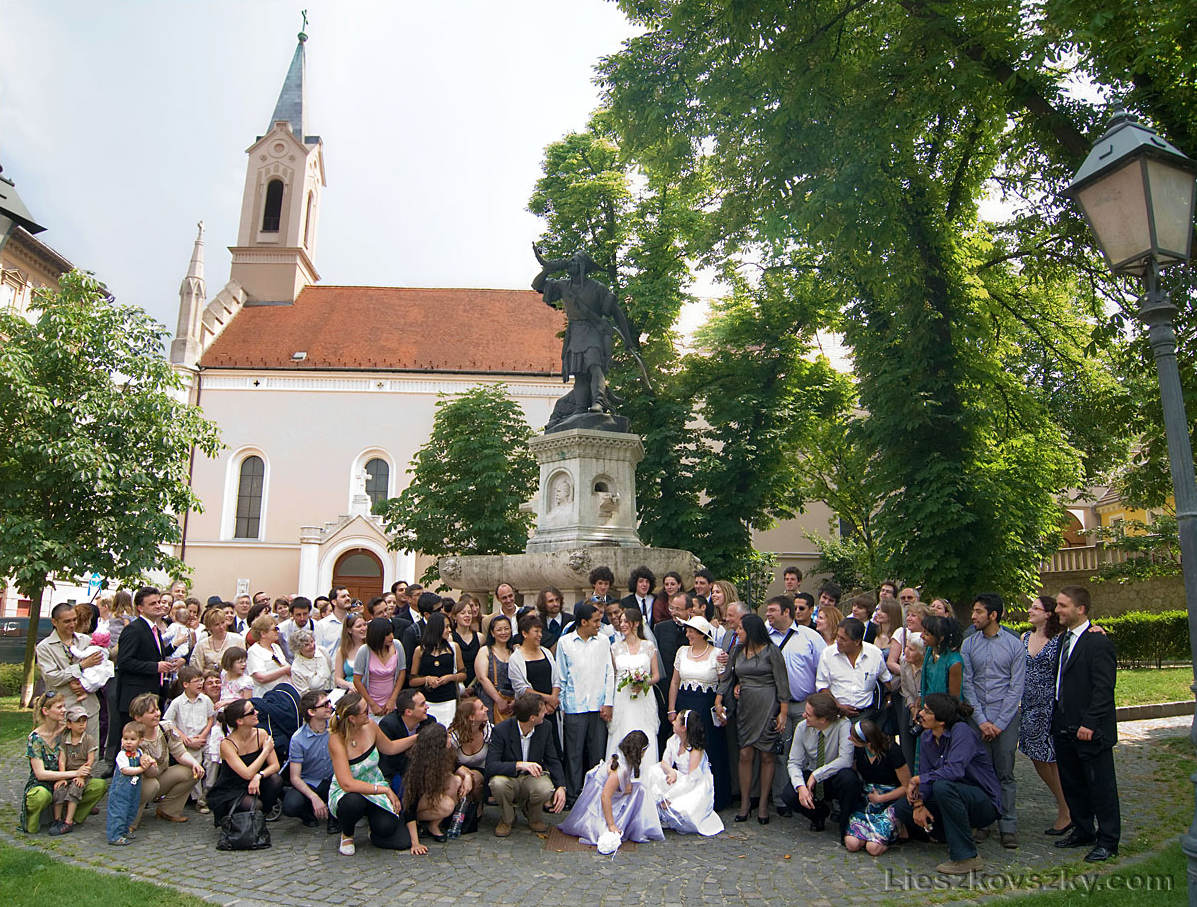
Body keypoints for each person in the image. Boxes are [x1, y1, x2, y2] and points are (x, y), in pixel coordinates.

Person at [896, 694, 1001, 875]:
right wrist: (919, 804)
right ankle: (945, 835)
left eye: (927, 711)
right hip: (949, 795)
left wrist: (917, 780)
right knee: (903, 807)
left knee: (942, 786)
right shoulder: (927, 737)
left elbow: (954, 771)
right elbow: (925, 774)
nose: (920, 714)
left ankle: (966, 857)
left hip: (981, 801)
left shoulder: (962, 732)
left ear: (942, 720)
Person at [1051, 586, 1120, 863]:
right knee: (1073, 783)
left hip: (1090, 730)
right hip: (1064, 726)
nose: (1057, 610)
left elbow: (1104, 688)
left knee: (1100, 786)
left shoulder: (1097, 642)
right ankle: (1082, 829)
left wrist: (1090, 722)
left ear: (1080, 609)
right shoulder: (1062, 640)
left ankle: (1108, 840)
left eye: (1063, 605)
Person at [961, 593, 1025, 849]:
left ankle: (1008, 825)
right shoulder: (969, 644)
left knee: (1005, 772)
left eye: (978, 612)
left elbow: (1015, 686)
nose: (973, 616)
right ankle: (983, 821)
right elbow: (967, 684)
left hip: (1005, 717)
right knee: (979, 771)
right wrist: (981, 719)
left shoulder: (1013, 645)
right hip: (978, 717)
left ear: (993, 615)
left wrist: (998, 722)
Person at [718, 613, 789, 824]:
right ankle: (745, 802)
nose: (737, 632)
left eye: (740, 629)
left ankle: (764, 804)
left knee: (767, 755)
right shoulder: (738, 650)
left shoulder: (771, 651)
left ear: (752, 631)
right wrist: (719, 697)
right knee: (745, 753)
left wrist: (783, 712)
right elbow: (728, 676)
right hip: (745, 705)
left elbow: (782, 683)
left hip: (768, 703)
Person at [763, 594, 827, 815]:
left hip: (804, 704)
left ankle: (812, 796)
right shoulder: (765, 637)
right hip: (775, 705)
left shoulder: (810, 637)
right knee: (781, 752)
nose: (768, 614)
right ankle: (782, 800)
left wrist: (817, 701)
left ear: (786, 612)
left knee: (808, 752)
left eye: (772, 610)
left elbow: (823, 668)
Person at [328, 692, 413, 855]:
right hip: (348, 791)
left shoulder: (371, 726)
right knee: (353, 803)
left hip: (375, 786)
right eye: (365, 711)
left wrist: (417, 738)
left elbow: (390, 748)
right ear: (352, 718)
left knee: (399, 839)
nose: (369, 713)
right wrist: (385, 790)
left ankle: (373, 828)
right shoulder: (336, 740)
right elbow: (347, 783)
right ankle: (347, 834)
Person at [1019, 594, 1072, 835]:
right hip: (1029, 707)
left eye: (1035, 608)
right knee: (1037, 757)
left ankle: (1066, 808)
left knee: (1053, 758)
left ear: (1048, 613)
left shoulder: (1060, 639)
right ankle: (1064, 801)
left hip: (1050, 706)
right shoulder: (1024, 637)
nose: (1030, 611)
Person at [559, 729, 664, 848]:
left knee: (640, 789)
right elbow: (605, 797)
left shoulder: (624, 756)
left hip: (612, 792)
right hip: (599, 799)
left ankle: (641, 824)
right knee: (639, 791)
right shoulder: (619, 770)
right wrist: (611, 825)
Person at [108, 587, 178, 763]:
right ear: (140, 607)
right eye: (152, 603)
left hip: (153, 692)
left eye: (159, 602)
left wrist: (166, 664)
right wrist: (155, 667)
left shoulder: (155, 629)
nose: (158, 606)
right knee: (131, 738)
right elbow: (124, 662)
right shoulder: (134, 629)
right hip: (135, 696)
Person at [556, 602, 616, 804]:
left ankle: (596, 793)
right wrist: (564, 705)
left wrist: (608, 702)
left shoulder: (603, 641)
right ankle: (573, 795)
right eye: (596, 621)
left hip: (598, 705)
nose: (599, 624)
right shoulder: (565, 642)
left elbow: (609, 672)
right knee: (573, 754)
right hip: (575, 706)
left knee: (597, 754)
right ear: (583, 622)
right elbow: (561, 676)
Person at [485, 692, 567, 837]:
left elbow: (552, 759)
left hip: (532, 778)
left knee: (545, 788)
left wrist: (561, 786)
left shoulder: (545, 727)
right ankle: (507, 818)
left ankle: (533, 816)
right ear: (532, 718)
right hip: (509, 777)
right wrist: (519, 765)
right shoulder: (501, 730)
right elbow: (491, 766)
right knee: (497, 784)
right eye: (543, 711)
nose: (546, 712)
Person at [781, 690, 858, 837]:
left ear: (823, 720)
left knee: (850, 780)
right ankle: (818, 815)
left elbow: (845, 760)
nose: (804, 716)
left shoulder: (843, 725)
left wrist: (817, 775)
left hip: (834, 774)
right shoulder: (802, 727)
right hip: (812, 776)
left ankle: (846, 827)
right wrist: (801, 787)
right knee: (789, 794)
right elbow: (794, 762)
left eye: (808, 715)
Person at [128, 691, 205, 827]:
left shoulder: (166, 727)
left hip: (160, 776)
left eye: (157, 709)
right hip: (138, 782)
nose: (157, 714)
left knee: (191, 771)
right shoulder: (132, 737)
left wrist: (195, 763)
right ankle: (130, 821)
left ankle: (168, 810)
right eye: (151, 712)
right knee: (152, 784)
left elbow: (180, 753)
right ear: (138, 717)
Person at [206, 698, 284, 828]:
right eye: (252, 712)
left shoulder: (261, 734)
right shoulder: (227, 744)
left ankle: (260, 816)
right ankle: (236, 818)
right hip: (232, 788)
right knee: (254, 805)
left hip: (255, 781)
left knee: (276, 780)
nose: (257, 712)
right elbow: (246, 774)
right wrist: (265, 751)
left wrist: (259, 775)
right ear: (240, 721)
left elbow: (275, 765)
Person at [645, 709, 723, 836]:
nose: (673, 722)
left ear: (684, 728)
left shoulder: (695, 750)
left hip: (695, 784)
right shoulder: (673, 740)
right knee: (654, 770)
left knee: (683, 809)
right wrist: (671, 771)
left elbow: (692, 779)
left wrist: (669, 797)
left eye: (676, 720)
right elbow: (664, 762)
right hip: (680, 778)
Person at [36, 602, 104, 746]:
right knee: (61, 753)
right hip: (62, 709)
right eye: (67, 621)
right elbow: (52, 678)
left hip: (88, 707)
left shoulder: (86, 640)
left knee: (89, 752)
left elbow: (101, 671)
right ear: (54, 622)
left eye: (74, 620)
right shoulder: (44, 647)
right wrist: (80, 667)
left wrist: (86, 685)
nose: (72, 624)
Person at [403, 722, 477, 853]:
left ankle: (434, 825)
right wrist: (415, 843)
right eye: (447, 737)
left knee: (456, 780)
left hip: (432, 794)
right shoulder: (418, 764)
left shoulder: (445, 754)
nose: (450, 739)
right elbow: (410, 806)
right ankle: (421, 823)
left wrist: (468, 778)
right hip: (413, 804)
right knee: (448, 805)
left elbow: (459, 768)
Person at [843, 717, 912, 855]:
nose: (850, 739)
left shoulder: (892, 750)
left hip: (890, 799)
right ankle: (870, 834)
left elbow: (907, 786)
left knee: (873, 849)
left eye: (854, 738)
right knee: (852, 844)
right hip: (868, 799)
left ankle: (896, 830)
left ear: (867, 741)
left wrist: (882, 798)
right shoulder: (860, 750)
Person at [608, 606, 660, 765]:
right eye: (621, 621)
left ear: (636, 623)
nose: (622, 624)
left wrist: (644, 682)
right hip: (622, 697)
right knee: (622, 730)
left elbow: (656, 675)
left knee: (644, 730)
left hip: (643, 698)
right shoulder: (615, 648)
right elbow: (613, 676)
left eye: (626, 621)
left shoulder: (648, 646)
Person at [816, 617, 892, 721]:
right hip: (836, 715)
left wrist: (888, 703)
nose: (838, 641)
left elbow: (886, 680)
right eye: (837, 636)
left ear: (857, 642)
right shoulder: (827, 654)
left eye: (843, 639)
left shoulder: (875, 654)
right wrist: (838, 706)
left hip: (867, 715)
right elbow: (822, 686)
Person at [283, 690, 338, 832]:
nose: (329, 706)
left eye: (329, 702)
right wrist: (314, 797)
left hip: (334, 780)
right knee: (291, 805)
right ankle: (308, 813)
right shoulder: (298, 739)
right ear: (312, 712)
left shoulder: (336, 728)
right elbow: (295, 777)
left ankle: (335, 817)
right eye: (324, 705)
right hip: (311, 782)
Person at [162, 665, 215, 813]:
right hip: (187, 741)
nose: (200, 684)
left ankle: (208, 791)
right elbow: (168, 722)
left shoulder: (205, 700)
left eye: (201, 680)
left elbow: (211, 718)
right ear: (186, 684)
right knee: (194, 763)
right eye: (196, 681)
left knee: (212, 759)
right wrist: (184, 737)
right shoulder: (177, 702)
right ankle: (198, 798)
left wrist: (204, 734)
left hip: (204, 738)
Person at [51, 705, 101, 833]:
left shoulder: (88, 740)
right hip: (67, 773)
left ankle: (69, 821)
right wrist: (62, 777)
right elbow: (62, 759)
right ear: (69, 724)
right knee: (59, 790)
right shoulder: (64, 739)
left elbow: (90, 761)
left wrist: (81, 776)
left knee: (75, 789)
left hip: (82, 774)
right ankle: (57, 819)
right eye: (77, 722)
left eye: (84, 721)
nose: (82, 725)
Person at [410, 612, 465, 726]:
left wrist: (450, 678)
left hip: (449, 700)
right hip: (427, 700)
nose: (449, 630)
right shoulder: (419, 650)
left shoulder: (454, 647)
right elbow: (412, 680)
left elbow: (463, 674)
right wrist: (427, 679)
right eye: (446, 627)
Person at [377, 689, 436, 793]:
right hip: (394, 773)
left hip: (421, 770)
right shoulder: (388, 725)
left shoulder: (429, 722)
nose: (427, 707)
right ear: (408, 712)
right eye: (422, 705)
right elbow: (387, 761)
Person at [509, 614, 561, 723]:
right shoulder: (515, 659)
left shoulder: (546, 652)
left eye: (541, 632)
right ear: (524, 633)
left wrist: (553, 700)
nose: (540, 635)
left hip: (551, 709)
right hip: (529, 712)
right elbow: (522, 689)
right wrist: (547, 699)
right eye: (536, 631)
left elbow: (556, 679)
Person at [354, 618, 407, 721]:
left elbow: (401, 673)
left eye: (392, 632)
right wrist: (372, 704)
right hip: (371, 701)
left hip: (392, 700)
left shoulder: (397, 645)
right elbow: (357, 680)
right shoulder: (364, 651)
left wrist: (393, 699)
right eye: (387, 634)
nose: (391, 637)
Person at [106, 722, 145, 845]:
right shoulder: (122, 755)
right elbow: (126, 770)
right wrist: (142, 769)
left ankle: (125, 829)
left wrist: (148, 761)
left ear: (140, 741)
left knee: (131, 808)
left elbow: (144, 760)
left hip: (133, 787)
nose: (128, 742)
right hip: (121, 789)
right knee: (119, 810)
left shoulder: (139, 753)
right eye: (125, 738)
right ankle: (114, 835)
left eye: (133, 739)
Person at [475, 614, 516, 722]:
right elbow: (482, 678)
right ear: (492, 633)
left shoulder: (515, 652)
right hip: (490, 700)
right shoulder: (485, 651)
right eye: (499, 629)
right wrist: (498, 700)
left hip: (512, 701)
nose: (504, 632)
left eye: (506, 629)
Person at [920, 616, 964, 705]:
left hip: (943, 712)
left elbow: (954, 700)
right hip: (927, 708)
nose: (921, 636)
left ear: (941, 638)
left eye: (927, 634)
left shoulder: (954, 663)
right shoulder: (930, 652)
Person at [193, 607, 245, 674]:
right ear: (209, 627)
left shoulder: (238, 640)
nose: (221, 627)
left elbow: (243, 663)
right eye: (216, 624)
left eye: (223, 623)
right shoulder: (201, 645)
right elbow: (198, 669)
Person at [290, 628, 334, 694]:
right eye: (306, 645)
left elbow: (332, 671)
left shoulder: (322, 651)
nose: (312, 646)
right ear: (298, 648)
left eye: (312, 641)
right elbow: (304, 693)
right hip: (315, 701)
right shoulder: (296, 668)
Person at [449, 600, 480, 689]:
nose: (467, 615)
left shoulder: (479, 637)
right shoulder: (450, 638)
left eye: (469, 613)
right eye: (463, 613)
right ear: (455, 616)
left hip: (476, 684)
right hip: (457, 685)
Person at [316, 586, 353, 661]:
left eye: (348, 596)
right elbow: (317, 651)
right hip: (329, 669)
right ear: (334, 602)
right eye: (343, 596)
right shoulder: (322, 625)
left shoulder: (353, 622)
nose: (348, 598)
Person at [335, 614, 367, 692]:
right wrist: (349, 685)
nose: (363, 628)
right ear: (349, 630)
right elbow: (338, 678)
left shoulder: (371, 647)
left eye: (365, 624)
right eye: (359, 626)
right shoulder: (342, 650)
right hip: (352, 691)